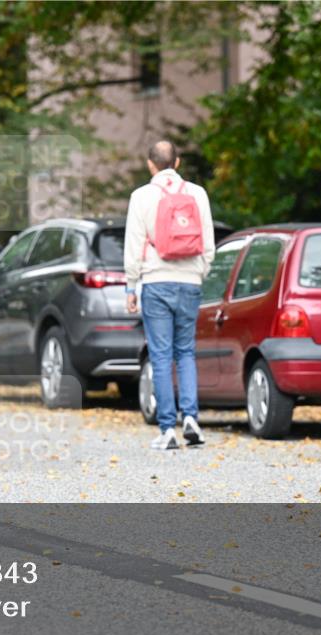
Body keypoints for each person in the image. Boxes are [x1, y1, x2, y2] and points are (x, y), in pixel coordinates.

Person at [124, 140, 215, 450]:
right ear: (177, 163)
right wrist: (199, 273)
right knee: (186, 352)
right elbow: (208, 243)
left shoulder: (141, 196)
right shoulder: (198, 193)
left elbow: (134, 244)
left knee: (161, 356)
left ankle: (167, 429)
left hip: (156, 281)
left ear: (150, 165)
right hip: (189, 282)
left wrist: (131, 285)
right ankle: (191, 418)